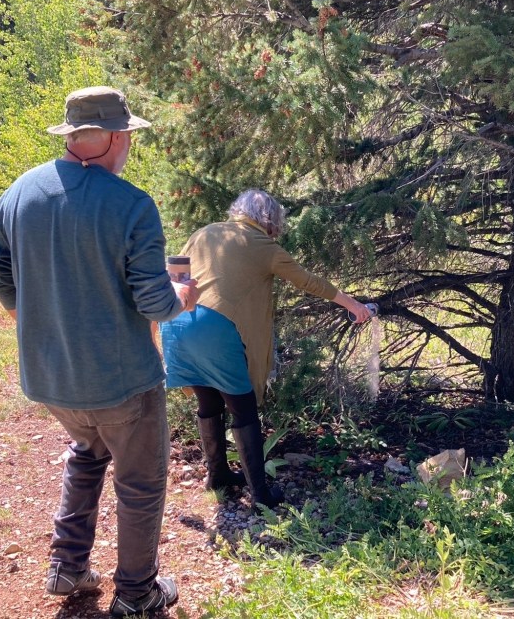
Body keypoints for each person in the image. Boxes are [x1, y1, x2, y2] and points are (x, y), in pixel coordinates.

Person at [0, 86, 197, 617]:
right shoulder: (131, 205)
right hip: (122, 382)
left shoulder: (19, 193)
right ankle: (137, 594)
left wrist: (43, 324)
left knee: (88, 450)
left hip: (51, 380)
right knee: (141, 483)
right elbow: (154, 301)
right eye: (128, 137)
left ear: (72, 135)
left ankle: (68, 567)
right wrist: (183, 297)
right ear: (117, 138)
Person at [159, 189, 373, 507]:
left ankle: (218, 476)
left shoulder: (204, 232)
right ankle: (260, 496)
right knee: (243, 410)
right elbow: (309, 281)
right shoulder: (264, 245)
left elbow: (176, 273)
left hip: (177, 321)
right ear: (270, 221)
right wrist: (353, 305)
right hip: (214, 329)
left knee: (208, 401)